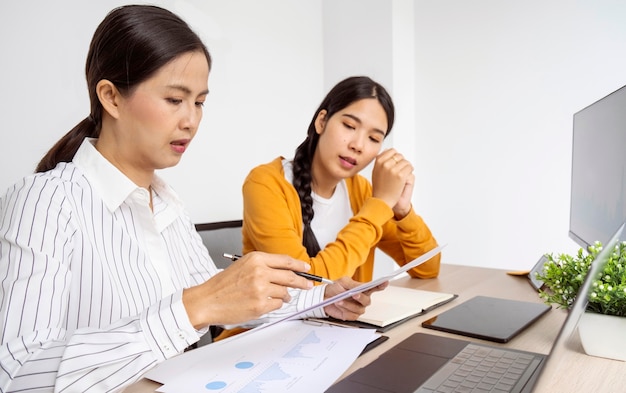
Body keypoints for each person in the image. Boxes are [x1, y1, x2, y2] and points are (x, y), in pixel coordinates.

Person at [0, 6, 385, 392]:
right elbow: (15, 374)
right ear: (111, 98)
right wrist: (194, 307)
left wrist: (320, 299)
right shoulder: (45, 201)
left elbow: (229, 299)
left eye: (199, 102)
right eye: (174, 100)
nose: (191, 121)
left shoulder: (167, 204)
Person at [242, 76, 441, 282]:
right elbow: (307, 282)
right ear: (322, 122)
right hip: (283, 314)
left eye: (373, 138)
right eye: (349, 126)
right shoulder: (265, 183)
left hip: (350, 315)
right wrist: (379, 205)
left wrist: (402, 211)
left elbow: (428, 268)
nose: (358, 145)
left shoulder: (361, 191)